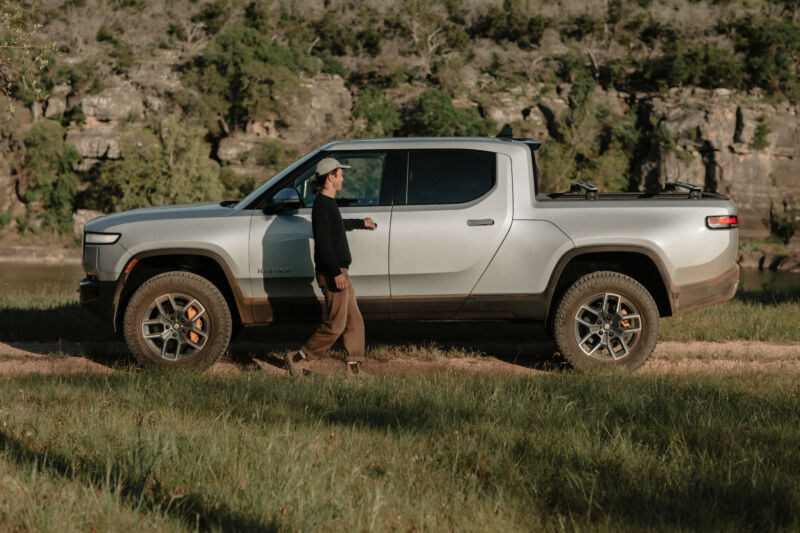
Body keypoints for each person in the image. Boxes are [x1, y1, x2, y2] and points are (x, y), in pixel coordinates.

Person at [285, 157, 377, 377]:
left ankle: (354, 369)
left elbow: (337, 226)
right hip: (332, 272)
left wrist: (360, 223)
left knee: (354, 321)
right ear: (330, 177)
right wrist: (335, 272)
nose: (342, 177)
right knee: (335, 325)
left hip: (340, 271)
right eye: (340, 174)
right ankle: (299, 359)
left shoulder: (328, 204)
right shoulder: (321, 206)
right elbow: (324, 242)